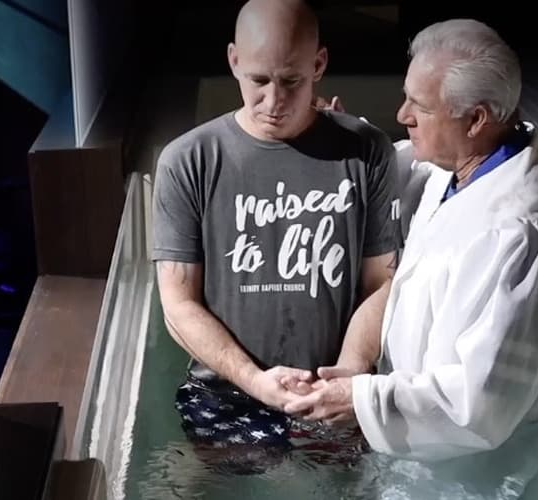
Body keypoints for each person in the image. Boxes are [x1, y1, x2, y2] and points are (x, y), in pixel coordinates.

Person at [283, 18, 538, 498]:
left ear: (475, 120)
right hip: (426, 462)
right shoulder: (464, 168)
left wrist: (358, 397)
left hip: (487, 481)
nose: (402, 113)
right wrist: (346, 137)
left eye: (420, 106)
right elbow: (395, 166)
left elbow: (479, 407)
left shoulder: (525, 237)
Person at [151, 0, 400, 469]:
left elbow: (383, 283)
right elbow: (178, 304)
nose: (273, 102)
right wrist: (253, 379)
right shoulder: (187, 161)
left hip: (334, 385)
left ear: (319, 65)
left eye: (292, 81)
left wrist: (347, 373)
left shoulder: (367, 152)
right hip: (224, 388)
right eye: (259, 81)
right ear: (234, 61)